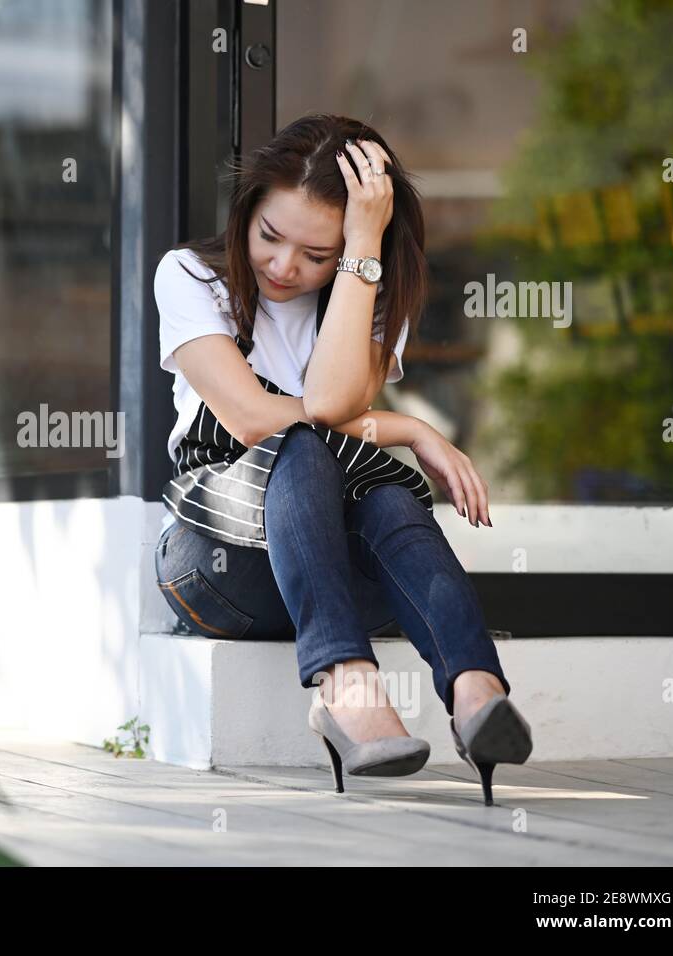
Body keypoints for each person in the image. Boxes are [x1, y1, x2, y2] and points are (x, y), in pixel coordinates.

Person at [152, 113, 531, 806]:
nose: (283, 266)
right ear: (246, 212)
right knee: (300, 444)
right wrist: (404, 426)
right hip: (215, 568)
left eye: (317, 254)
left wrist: (363, 249)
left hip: (335, 578)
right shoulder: (189, 276)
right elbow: (256, 417)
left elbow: (329, 402)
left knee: (384, 497)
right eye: (269, 235)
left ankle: (477, 691)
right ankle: (345, 683)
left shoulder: (373, 297)